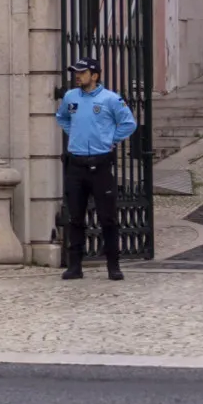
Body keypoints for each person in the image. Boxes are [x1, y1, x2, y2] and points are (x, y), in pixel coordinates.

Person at [55, 57, 138, 281]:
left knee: (107, 217)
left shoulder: (111, 99)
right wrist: (73, 134)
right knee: (76, 217)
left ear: (95, 75)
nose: (77, 76)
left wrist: (110, 138)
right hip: (76, 164)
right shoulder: (71, 97)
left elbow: (129, 123)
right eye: (76, 72)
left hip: (100, 164)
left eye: (82, 72)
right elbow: (61, 117)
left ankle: (113, 265)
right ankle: (75, 265)